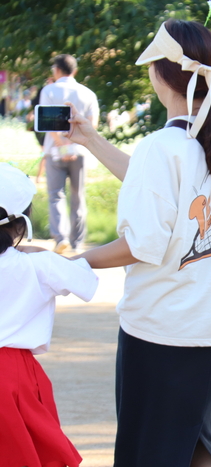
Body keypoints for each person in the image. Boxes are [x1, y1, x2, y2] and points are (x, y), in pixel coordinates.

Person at [65, 19, 211, 466]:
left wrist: (75, 263)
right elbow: (159, 189)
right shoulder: (209, 140)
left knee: (151, 454)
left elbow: (141, 244)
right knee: (200, 447)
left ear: (158, 73)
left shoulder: (162, 146)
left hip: (167, 335)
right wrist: (91, 139)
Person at [0, 163, 98, 466]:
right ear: (21, 226)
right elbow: (87, 283)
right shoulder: (38, 265)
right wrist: (43, 253)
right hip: (11, 374)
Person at [39, 54, 99, 254]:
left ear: (56, 70)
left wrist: (62, 145)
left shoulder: (49, 90)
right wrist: (74, 144)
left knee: (56, 195)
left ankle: (60, 238)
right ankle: (77, 241)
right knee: (77, 195)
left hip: (55, 151)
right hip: (80, 150)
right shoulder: (88, 93)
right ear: (75, 70)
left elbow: (48, 121)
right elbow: (92, 124)